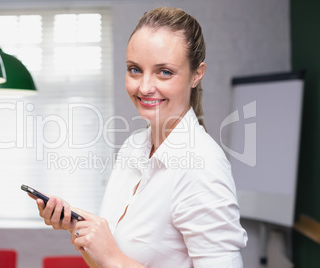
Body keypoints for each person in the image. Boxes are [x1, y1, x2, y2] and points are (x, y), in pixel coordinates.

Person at [29, 7, 248, 267]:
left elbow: (115, 260)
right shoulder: (134, 147)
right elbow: (107, 262)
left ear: (196, 74)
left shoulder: (202, 166)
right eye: (134, 69)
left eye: (164, 72)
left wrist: (113, 256)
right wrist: (80, 229)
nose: (144, 87)